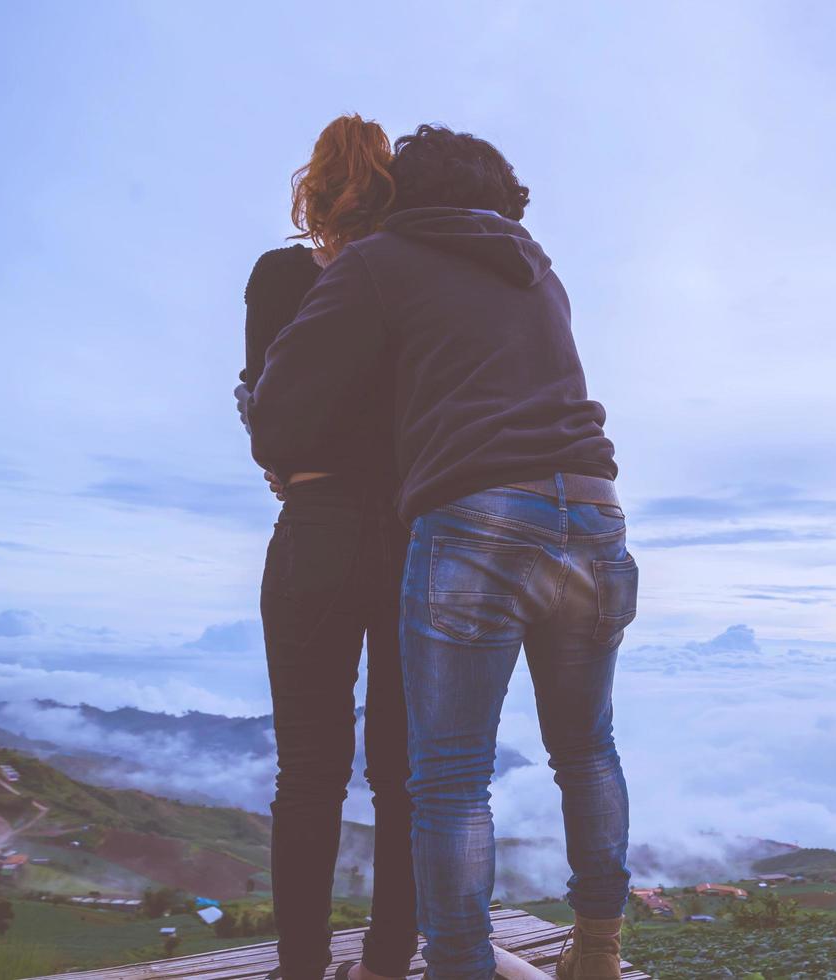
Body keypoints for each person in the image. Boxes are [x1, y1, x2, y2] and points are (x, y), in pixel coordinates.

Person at [249, 124, 636, 980]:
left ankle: (439, 965)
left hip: (460, 519)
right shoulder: (537, 270)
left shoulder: (377, 264)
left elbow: (278, 412)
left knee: (439, 779)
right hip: (595, 510)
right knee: (587, 751)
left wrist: (277, 437)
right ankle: (594, 951)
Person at [237, 113, 415, 980]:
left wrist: (287, 466)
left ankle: (300, 968)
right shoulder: (415, 280)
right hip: (415, 536)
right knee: (402, 776)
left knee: (308, 772)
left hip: (316, 528)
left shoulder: (277, 276)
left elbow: (263, 403)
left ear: (309, 194)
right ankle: (388, 963)